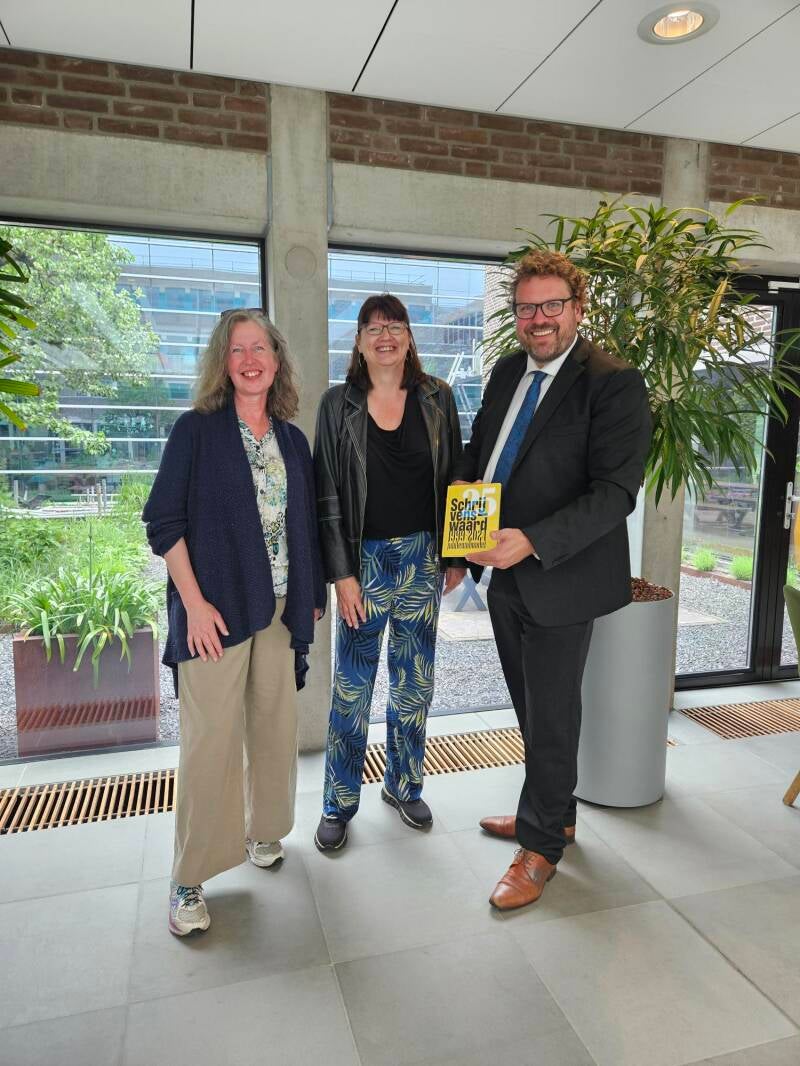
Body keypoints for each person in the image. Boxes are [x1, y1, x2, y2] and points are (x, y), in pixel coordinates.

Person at [454, 250, 651, 910]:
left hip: (561, 576)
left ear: (578, 308)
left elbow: (615, 493)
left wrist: (534, 540)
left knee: (554, 714)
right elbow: (482, 454)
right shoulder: (508, 371)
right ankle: (553, 814)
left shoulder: (613, 383)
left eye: (551, 306)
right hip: (500, 573)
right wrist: (460, 525)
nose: (538, 319)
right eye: (526, 308)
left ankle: (539, 849)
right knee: (532, 707)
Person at [143, 309, 326, 935]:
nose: (250, 360)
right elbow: (164, 522)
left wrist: (310, 592)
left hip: (278, 608)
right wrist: (193, 605)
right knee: (210, 743)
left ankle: (262, 830)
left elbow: (304, 524)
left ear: (277, 361)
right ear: (223, 363)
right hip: (214, 612)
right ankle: (188, 879)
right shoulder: (195, 431)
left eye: (260, 349)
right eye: (238, 349)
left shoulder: (292, 440)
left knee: (274, 727)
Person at [313, 293, 466, 851]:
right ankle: (338, 803)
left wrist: (456, 553)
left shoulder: (437, 397)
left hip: (423, 557)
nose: (385, 336)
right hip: (364, 563)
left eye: (395, 326)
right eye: (374, 328)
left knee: (414, 684)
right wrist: (341, 574)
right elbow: (327, 494)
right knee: (352, 691)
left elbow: (456, 476)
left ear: (409, 338)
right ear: (358, 341)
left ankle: (404, 786)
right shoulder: (337, 405)